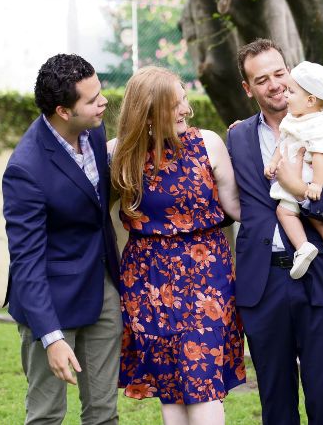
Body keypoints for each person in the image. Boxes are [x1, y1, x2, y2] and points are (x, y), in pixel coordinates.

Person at [228, 38, 323, 424]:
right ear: (247, 88)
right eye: (261, 79)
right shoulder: (237, 137)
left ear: (291, 73)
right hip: (262, 283)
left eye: (279, 73)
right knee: (276, 403)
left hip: (320, 277)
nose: (274, 85)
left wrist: (301, 192)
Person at [109, 66, 245, 425]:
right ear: (148, 113)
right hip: (147, 279)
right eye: (176, 104)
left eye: (185, 100)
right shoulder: (120, 154)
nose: (187, 109)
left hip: (205, 277)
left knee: (201, 380)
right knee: (169, 384)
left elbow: (236, 207)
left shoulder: (208, 143)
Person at [2, 53, 122, 424]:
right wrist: (51, 337)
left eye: (100, 91)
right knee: (47, 415)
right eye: (92, 99)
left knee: (104, 412)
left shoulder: (96, 131)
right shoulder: (25, 169)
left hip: (101, 287)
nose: (103, 102)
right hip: (49, 300)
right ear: (64, 111)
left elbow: (96, 201)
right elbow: (27, 262)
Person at [264, 60, 323, 282]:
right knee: (316, 216)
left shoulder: (320, 124)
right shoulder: (293, 118)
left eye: (291, 91)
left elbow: (320, 156)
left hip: (310, 175)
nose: (285, 95)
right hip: (300, 174)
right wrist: (273, 162)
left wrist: (314, 184)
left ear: (310, 100)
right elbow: (282, 144)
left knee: (285, 211)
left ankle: (303, 246)